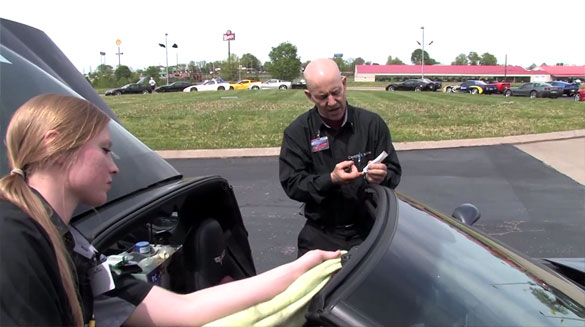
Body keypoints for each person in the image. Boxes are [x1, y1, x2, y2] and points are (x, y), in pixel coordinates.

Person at [0, 93, 340, 326]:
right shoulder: (14, 238)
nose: (114, 166)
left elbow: (186, 310)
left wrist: (299, 269)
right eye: (104, 149)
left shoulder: (71, 248)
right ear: (54, 143)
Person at [279, 58, 402, 257]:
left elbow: (394, 171)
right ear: (309, 96)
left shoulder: (372, 124)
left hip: (369, 230)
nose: (332, 102)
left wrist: (382, 176)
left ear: (344, 83)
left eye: (336, 92)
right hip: (322, 233)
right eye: (322, 97)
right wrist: (331, 179)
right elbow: (292, 184)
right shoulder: (298, 132)